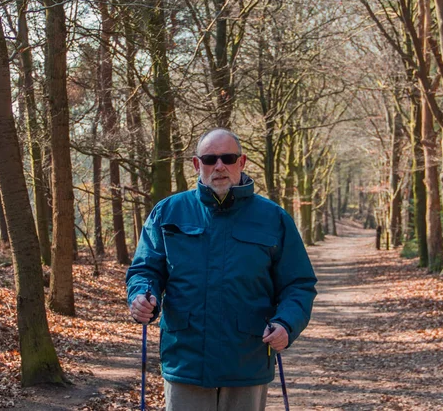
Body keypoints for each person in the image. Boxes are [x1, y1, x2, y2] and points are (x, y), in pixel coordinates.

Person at [126, 128, 317, 411]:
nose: (219, 166)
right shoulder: (168, 213)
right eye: (209, 159)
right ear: (196, 164)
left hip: (247, 360)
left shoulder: (273, 218)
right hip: (185, 359)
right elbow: (145, 269)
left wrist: (287, 324)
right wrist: (142, 295)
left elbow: (299, 284)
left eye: (228, 158)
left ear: (241, 162)